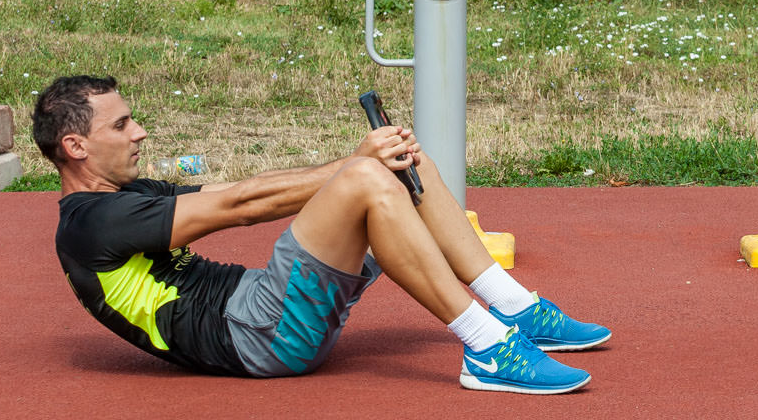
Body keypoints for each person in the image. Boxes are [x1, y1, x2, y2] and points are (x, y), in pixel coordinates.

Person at [34, 74, 611, 395]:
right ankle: (488, 349)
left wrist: (359, 162)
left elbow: (240, 187)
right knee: (367, 174)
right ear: (76, 147)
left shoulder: (125, 196)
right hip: (258, 335)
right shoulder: (91, 223)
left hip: (265, 312)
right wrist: (348, 165)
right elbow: (240, 207)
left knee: (405, 162)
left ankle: (514, 308)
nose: (140, 131)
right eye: (121, 124)